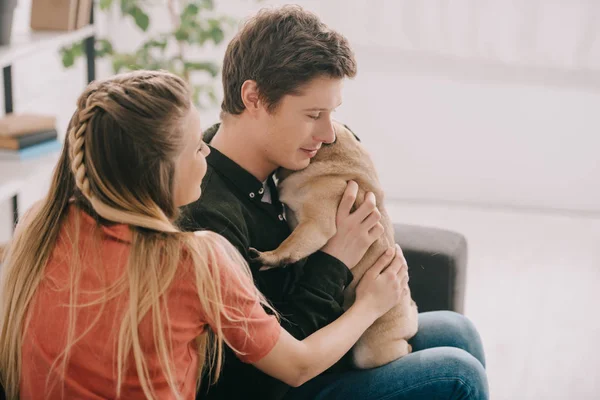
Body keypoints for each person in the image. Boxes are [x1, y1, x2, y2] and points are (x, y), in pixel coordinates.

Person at [0, 70, 408, 400]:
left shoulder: (39, 227)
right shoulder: (193, 260)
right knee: (456, 372)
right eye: (196, 148)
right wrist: (369, 305)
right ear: (159, 173)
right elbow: (297, 366)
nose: (208, 153)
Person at [181, 5, 489, 400]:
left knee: (457, 331)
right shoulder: (210, 214)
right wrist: (339, 264)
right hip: (275, 384)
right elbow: (269, 366)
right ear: (253, 97)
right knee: (457, 374)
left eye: (332, 114)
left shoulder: (277, 167)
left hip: (319, 343)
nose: (328, 134)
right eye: (313, 114)